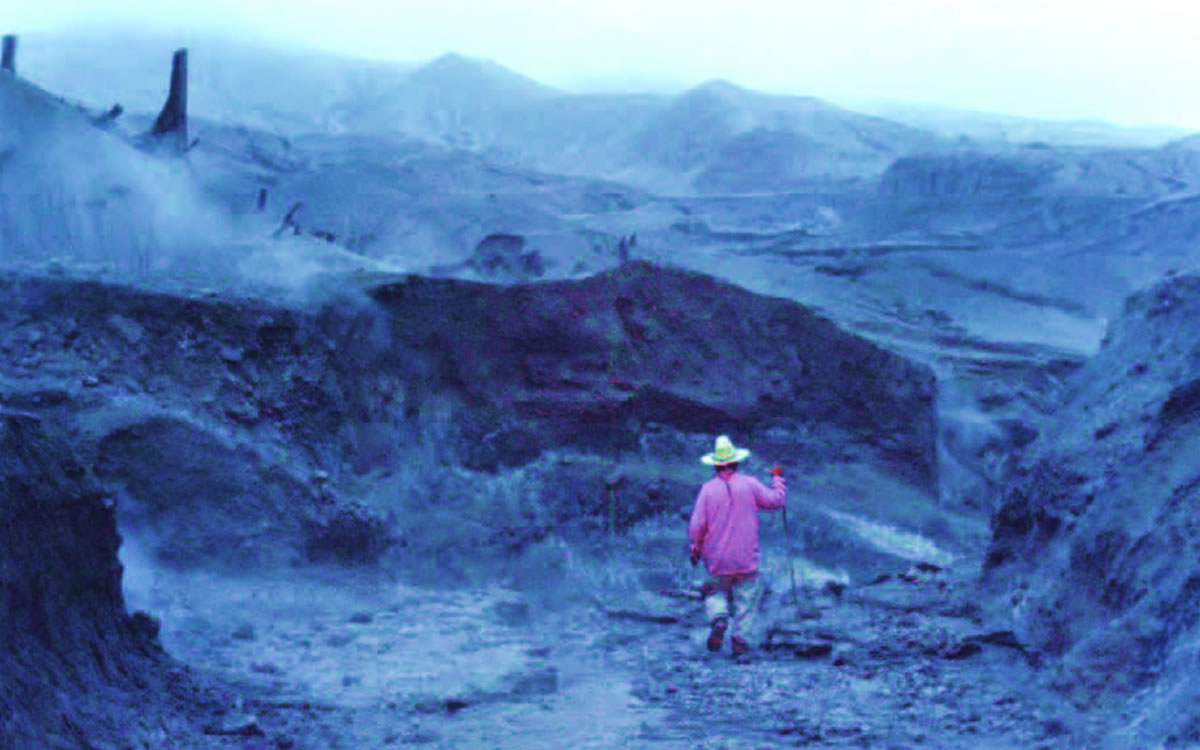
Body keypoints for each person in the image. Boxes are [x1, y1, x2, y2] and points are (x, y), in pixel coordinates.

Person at [688, 435, 787, 658]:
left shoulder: (707, 490)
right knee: (747, 597)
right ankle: (740, 640)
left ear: (715, 465)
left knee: (715, 591)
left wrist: (695, 549)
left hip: (717, 558)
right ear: (737, 462)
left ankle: (719, 618)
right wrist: (778, 480)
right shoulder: (749, 484)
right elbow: (776, 502)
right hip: (746, 558)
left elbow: (697, 525)